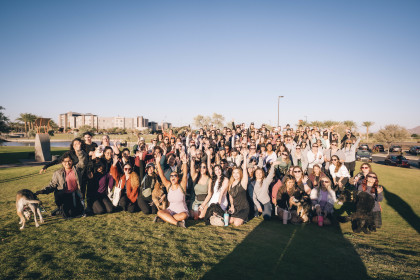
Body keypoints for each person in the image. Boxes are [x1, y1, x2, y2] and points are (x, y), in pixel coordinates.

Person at [35, 152, 85, 218]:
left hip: (75, 194)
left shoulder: (77, 169)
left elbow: (83, 162)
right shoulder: (58, 173)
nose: (67, 163)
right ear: (62, 162)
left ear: (72, 161)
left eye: (69, 161)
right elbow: (52, 185)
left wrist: (79, 151)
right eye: (65, 161)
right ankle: (60, 209)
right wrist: (43, 191)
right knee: (68, 215)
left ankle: (62, 209)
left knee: (79, 213)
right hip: (63, 195)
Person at [154, 153, 189, 228]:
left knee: (184, 215)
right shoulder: (168, 186)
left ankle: (165, 219)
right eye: (171, 176)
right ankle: (178, 223)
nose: (173, 177)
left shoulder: (181, 186)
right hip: (170, 211)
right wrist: (157, 163)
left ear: (178, 178)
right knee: (159, 212)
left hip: (181, 212)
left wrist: (185, 162)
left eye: (175, 176)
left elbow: (185, 175)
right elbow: (162, 175)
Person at [228, 150, 249, 226]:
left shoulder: (243, 183)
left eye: (237, 173)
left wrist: (245, 157)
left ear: (240, 174)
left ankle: (245, 218)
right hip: (235, 207)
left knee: (236, 224)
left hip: (243, 208)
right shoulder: (231, 183)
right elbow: (230, 196)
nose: (235, 174)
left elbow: (245, 171)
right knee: (229, 221)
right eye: (234, 173)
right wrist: (232, 206)